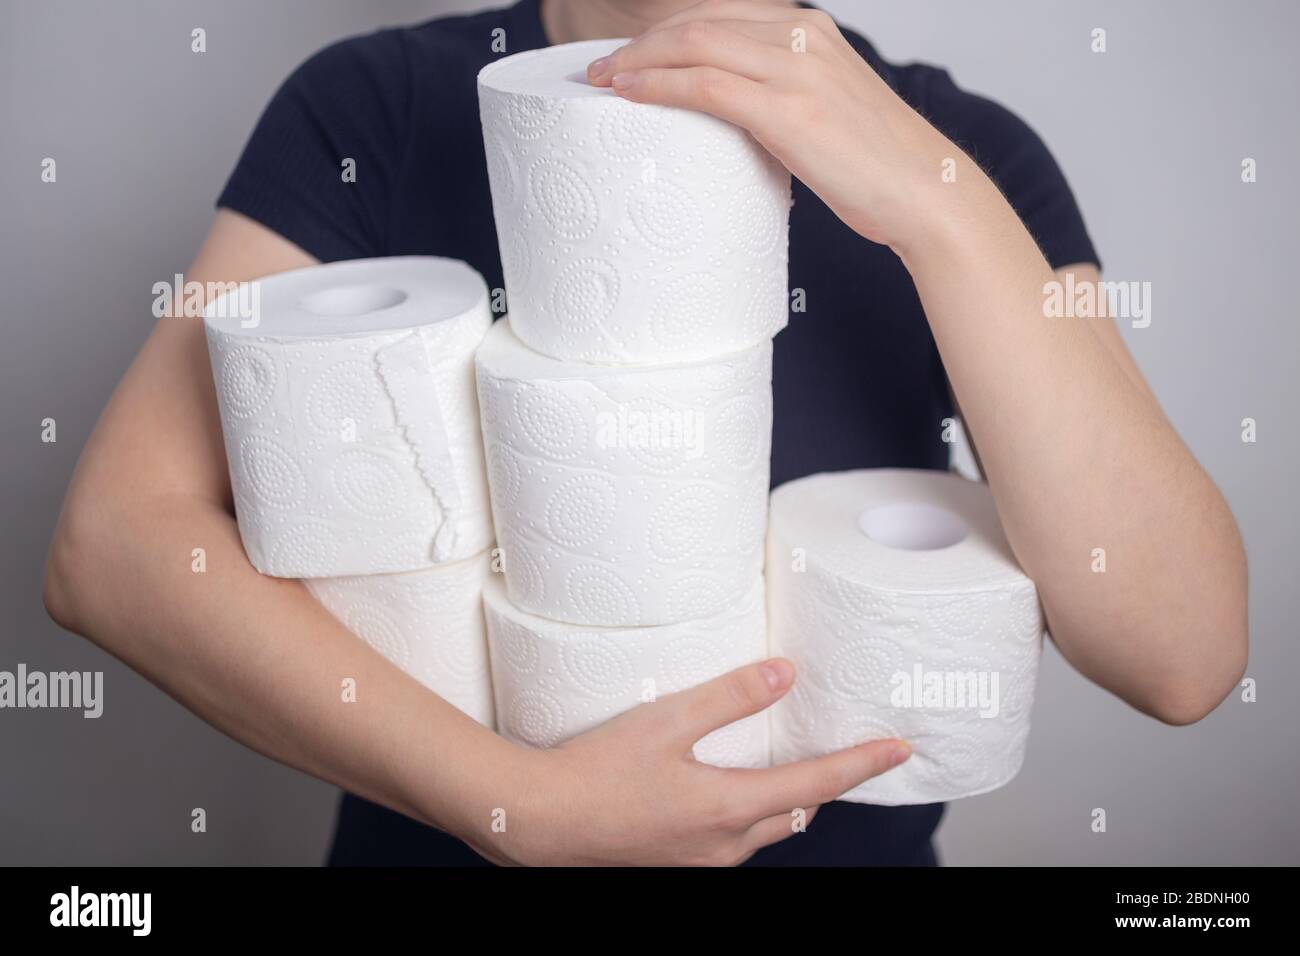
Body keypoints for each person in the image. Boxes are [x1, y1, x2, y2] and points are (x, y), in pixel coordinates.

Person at [42, 0, 1247, 866]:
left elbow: (1178, 652)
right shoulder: (381, 105)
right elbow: (115, 543)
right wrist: (512, 802)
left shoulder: (958, 150)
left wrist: (938, 206)